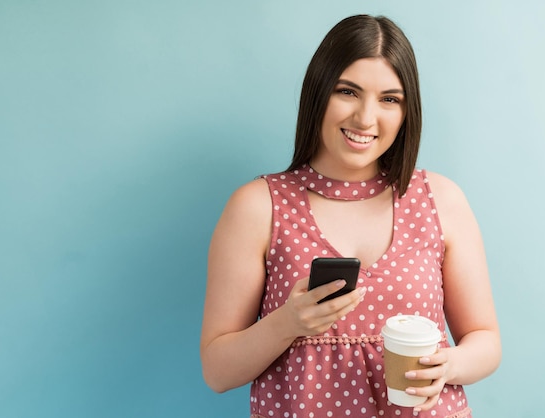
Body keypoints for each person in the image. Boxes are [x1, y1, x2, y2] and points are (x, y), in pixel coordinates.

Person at [200, 14, 501, 418]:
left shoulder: (439, 199)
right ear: (318, 93)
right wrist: (286, 323)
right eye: (348, 92)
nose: (365, 118)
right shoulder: (258, 206)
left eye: (389, 99)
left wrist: (449, 366)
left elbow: (485, 340)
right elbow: (217, 372)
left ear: (406, 111)